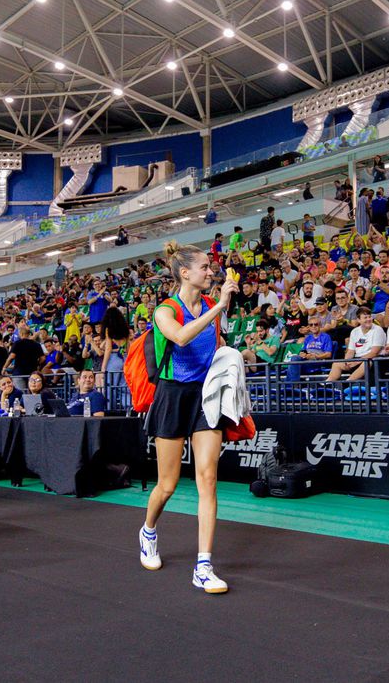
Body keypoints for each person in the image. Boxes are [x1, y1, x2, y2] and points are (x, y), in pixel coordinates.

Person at [141, 240, 240, 594]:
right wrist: (220, 308)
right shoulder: (165, 310)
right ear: (185, 273)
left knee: (208, 478)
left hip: (205, 397)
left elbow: (217, 346)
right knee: (167, 485)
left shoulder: (212, 306)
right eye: (205, 268)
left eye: (211, 268)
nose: (211, 272)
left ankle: (203, 565)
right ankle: (149, 531)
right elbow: (181, 338)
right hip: (172, 396)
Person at [326, 308, 384, 382]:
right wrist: (347, 361)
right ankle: (327, 384)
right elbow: (350, 351)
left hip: (372, 360)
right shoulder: (355, 331)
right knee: (337, 364)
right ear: (358, 320)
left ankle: (348, 382)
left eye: (369, 317)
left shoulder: (378, 330)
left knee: (367, 363)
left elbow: (374, 352)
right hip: (357, 359)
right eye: (365, 318)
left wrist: (356, 362)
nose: (368, 319)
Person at [286, 316, 333, 382]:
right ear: (309, 327)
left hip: (318, 361)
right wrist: (302, 354)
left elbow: (328, 354)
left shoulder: (326, 337)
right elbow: (303, 351)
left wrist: (315, 356)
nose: (313, 326)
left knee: (293, 364)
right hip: (306, 360)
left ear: (320, 325)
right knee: (294, 359)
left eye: (316, 324)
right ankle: (293, 386)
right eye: (311, 325)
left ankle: (291, 386)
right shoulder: (308, 338)